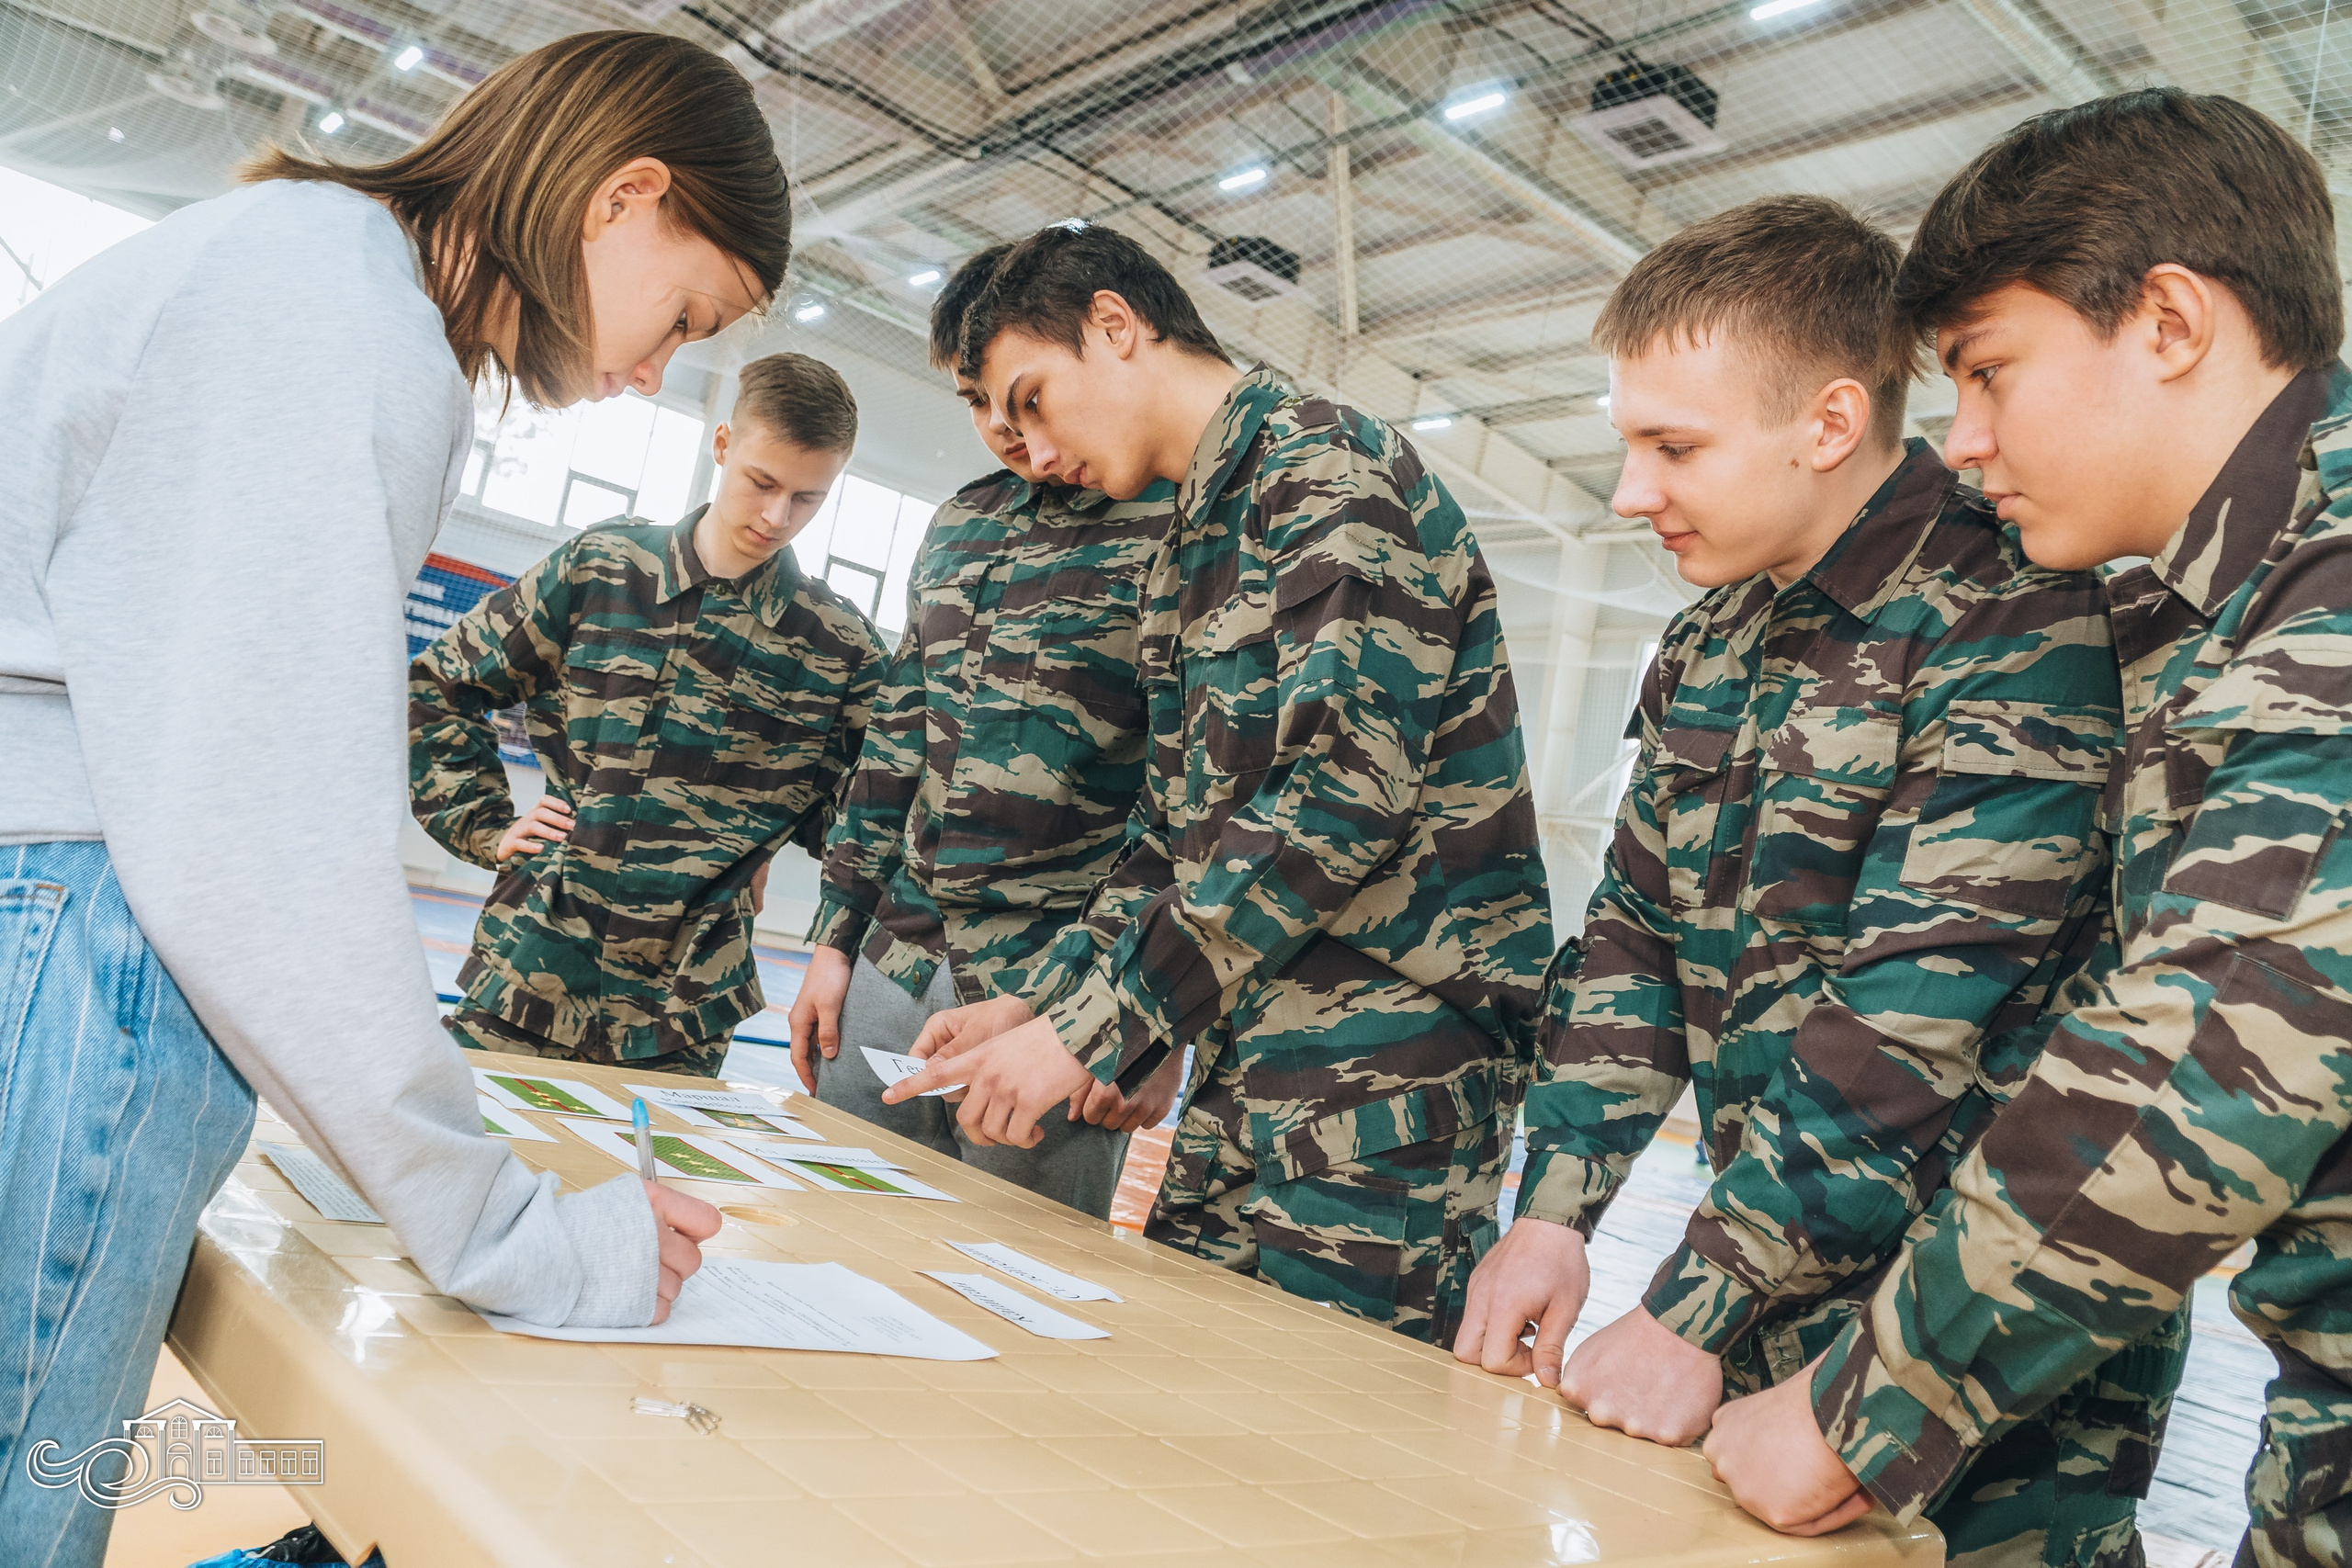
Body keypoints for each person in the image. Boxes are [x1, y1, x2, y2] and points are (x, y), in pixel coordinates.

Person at [0, 31, 785, 1567]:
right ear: (621, 196)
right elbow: (262, 861)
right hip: (79, 934)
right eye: (684, 316)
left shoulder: (304, 266)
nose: (651, 373)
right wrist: (517, 1234)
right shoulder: (338, 322)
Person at [1447, 192, 2189, 1564]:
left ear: (1830, 423)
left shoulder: (2018, 605)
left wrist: (1692, 1305)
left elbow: (1913, 1013)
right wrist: (1555, 1214)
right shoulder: (1708, 639)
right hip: (1770, 1288)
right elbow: (1634, 938)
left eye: (1674, 446)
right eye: (1627, 443)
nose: (1630, 492)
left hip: (1980, 1351)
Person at [1700, 91, 2351, 1568]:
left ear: (2172, 321)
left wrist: (1867, 1405)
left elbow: (2206, 1063)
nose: (1966, 442)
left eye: (1991, 373)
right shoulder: (2210, 604)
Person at [886, 222, 1553, 1344]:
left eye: (1035, 399)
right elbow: (1171, 831)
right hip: (1253, 1065)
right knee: (1181, 1412)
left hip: (1381, 1088)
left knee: (1328, 1455)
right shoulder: (1195, 531)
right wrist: (1046, 999)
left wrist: (1089, 1031)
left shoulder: (1324, 470)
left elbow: (1340, 798)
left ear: (1114, 326)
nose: (1032, 453)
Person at [786, 249, 1182, 1214]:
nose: (1007, 432)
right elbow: (895, 740)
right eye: (976, 403)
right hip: (896, 953)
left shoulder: (1177, 531)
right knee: (835, 1228)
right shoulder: (961, 523)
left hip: (1049, 989)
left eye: (1025, 401)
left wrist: (1146, 1028)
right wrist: (834, 939)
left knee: (1013, 1278)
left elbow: (1188, 803)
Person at [412, 352, 886, 1078]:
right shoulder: (602, 569)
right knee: (453, 1176)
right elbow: (443, 684)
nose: (775, 516)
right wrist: (485, 824)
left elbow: (874, 818)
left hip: (680, 1020)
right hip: (528, 971)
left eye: (806, 498)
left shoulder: (838, 648)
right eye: (762, 482)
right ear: (722, 444)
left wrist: (768, 854)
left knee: (644, 1196)